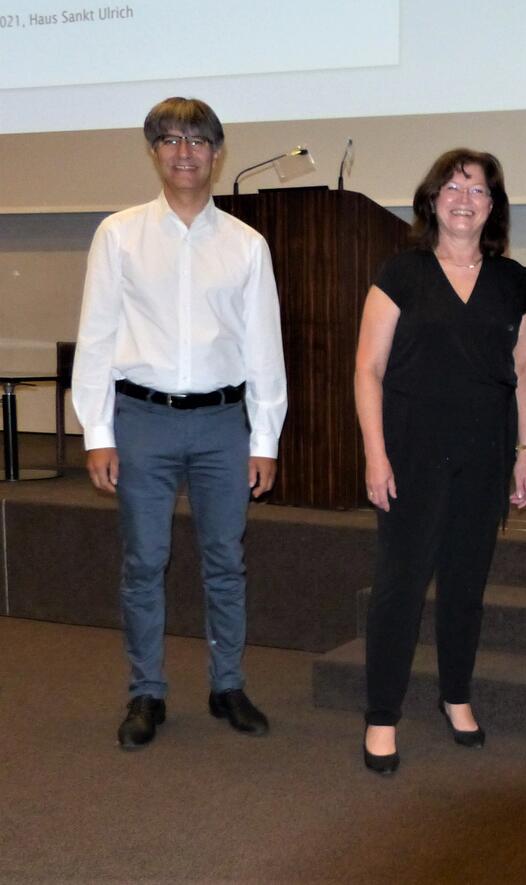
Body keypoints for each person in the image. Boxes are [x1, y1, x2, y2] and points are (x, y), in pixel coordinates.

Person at [72, 97, 288, 750]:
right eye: (169, 139)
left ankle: (228, 685)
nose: (184, 152)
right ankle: (147, 691)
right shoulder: (119, 235)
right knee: (145, 561)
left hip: (223, 425)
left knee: (226, 561)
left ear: (216, 154)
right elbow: (97, 336)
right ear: (154, 153)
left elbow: (264, 349)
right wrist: (97, 432)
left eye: (197, 140)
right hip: (143, 421)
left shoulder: (246, 245)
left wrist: (265, 439)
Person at [355, 149, 526, 775]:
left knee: (465, 586)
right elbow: (368, 368)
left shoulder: (513, 281)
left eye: (479, 190)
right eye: (453, 188)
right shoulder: (401, 273)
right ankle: (383, 714)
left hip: (486, 454)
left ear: (493, 206)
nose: (465, 199)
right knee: (400, 587)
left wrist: (524, 453)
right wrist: (375, 455)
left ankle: (456, 696)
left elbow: (525, 371)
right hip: (410, 453)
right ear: (432, 200)